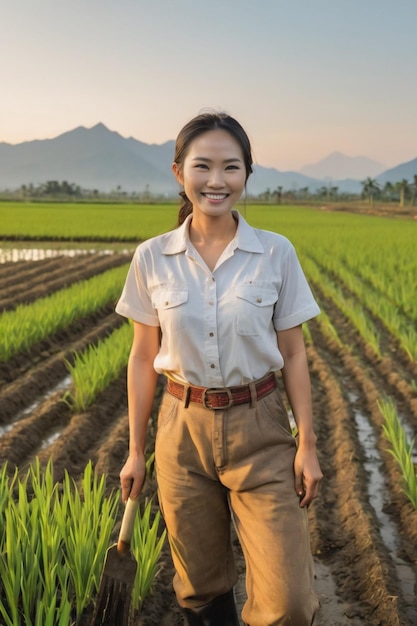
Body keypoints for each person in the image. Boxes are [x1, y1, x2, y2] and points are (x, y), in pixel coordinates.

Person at [116, 111, 323, 626]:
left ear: (247, 174)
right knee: (200, 588)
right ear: (178, 172)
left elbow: (294, 353)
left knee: (289, 603)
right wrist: (135, 451)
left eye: (230, 167)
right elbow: (143, 356)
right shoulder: (152, 257)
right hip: (181, 429)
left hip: (261, 427)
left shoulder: (276, 253)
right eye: (202, 166)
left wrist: (308, 444)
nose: (216, 180)